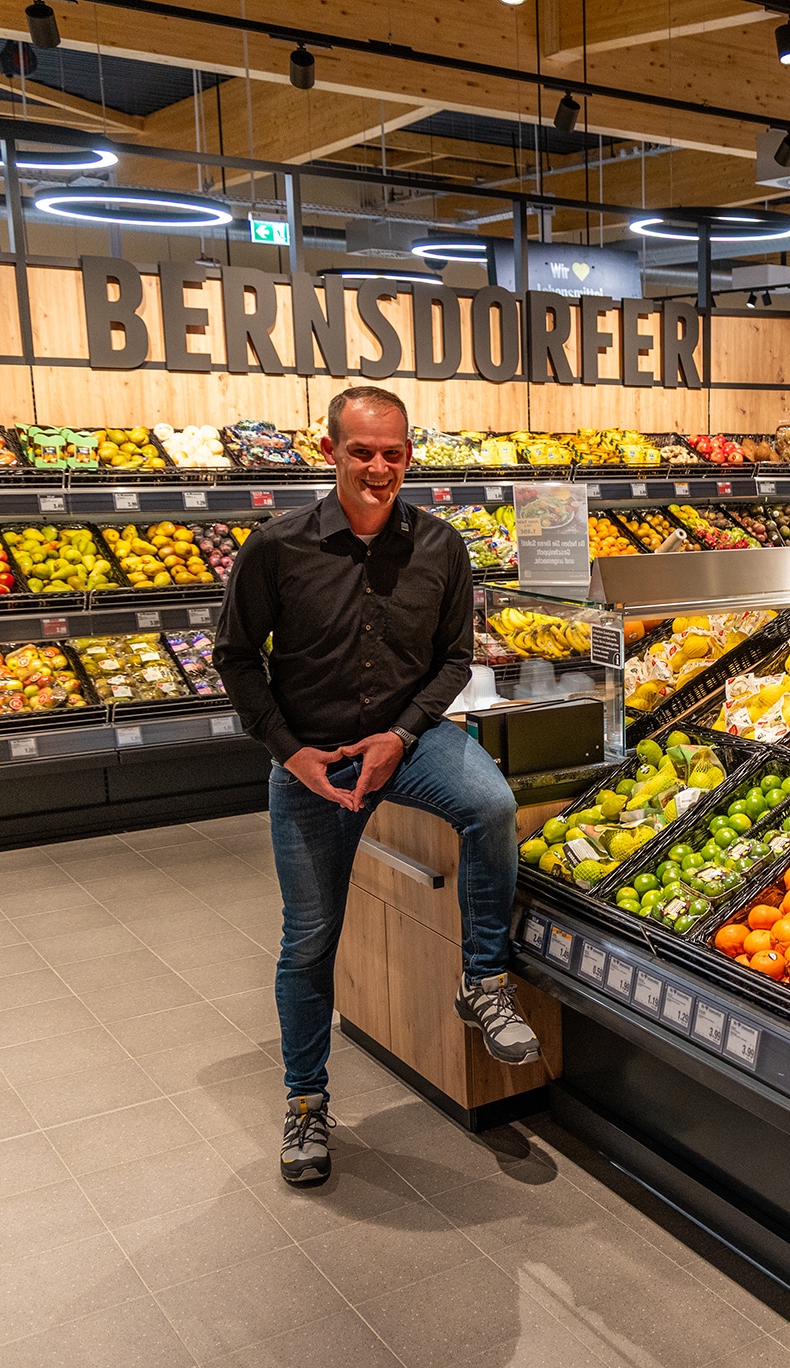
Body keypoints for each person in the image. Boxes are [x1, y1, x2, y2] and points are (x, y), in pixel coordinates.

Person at [214, 384, 539, 1187]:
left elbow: (454, 660)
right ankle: (304, 1104)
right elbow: (234, 657)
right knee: (310, 939)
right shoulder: (277, 547)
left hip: (410, 740)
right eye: (362, 451)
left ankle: (484, 982)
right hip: (313, 764)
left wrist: (400, 736)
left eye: (393, 453)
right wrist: (290, 753)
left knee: (493, 806)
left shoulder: (440, 545)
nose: (379, 467)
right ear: (329, 452)